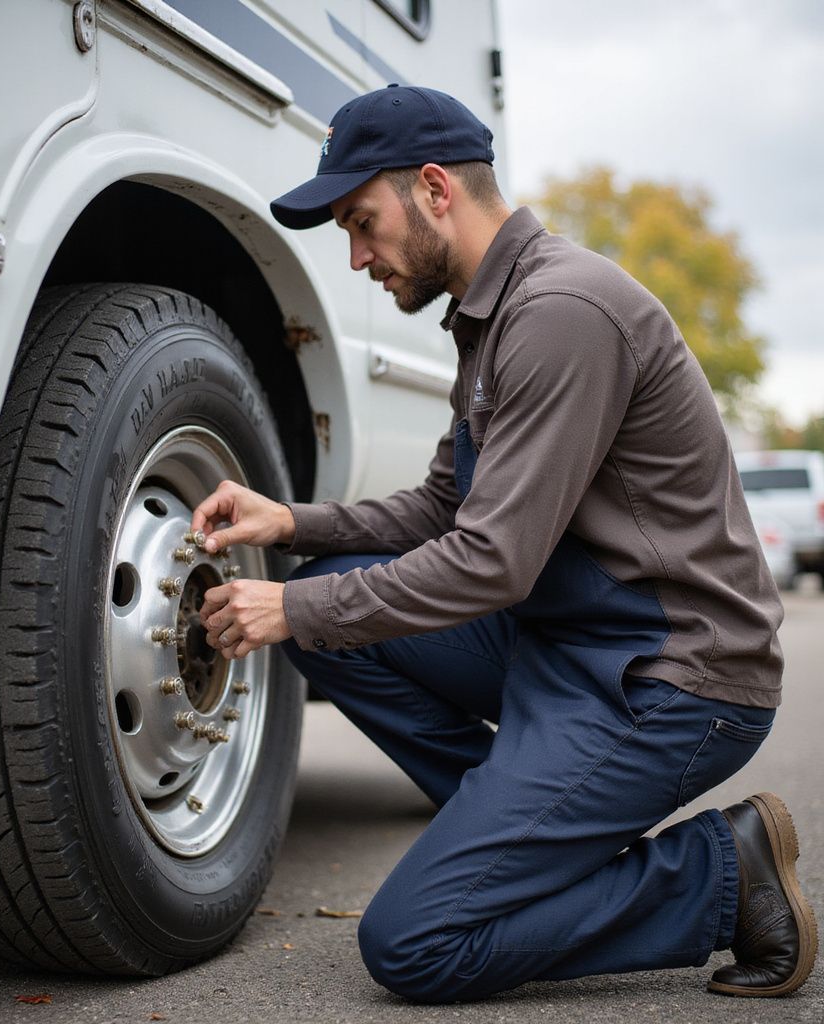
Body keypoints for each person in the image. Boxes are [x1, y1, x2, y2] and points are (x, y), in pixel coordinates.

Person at [190, 85, 818, 1002]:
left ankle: (726, 878)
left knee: (414, 945)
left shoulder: (563, 313)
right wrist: (292, 524)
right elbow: (447, 507)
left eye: (362, 223)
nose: (358, 256)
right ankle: (522, 833)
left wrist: (287, 606)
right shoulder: (492, 318)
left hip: (666, 680)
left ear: (435, 189)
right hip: (569, 648)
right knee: (331, 605)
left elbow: (492, 560)